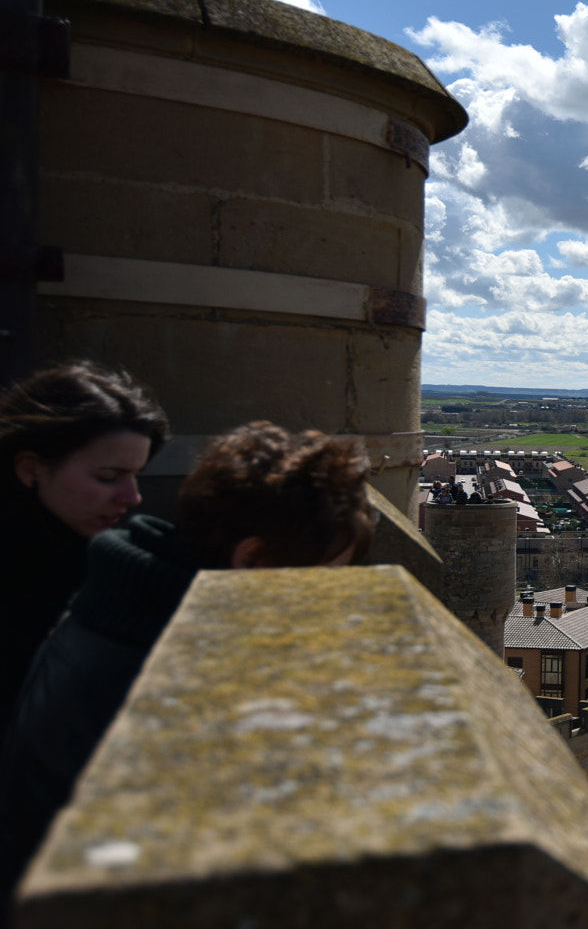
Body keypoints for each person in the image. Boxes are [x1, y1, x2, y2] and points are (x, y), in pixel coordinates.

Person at [0, 422, 374, 895]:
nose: (331, 602)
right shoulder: (168, 676)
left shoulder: (120, 604)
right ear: (254, 560)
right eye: (326, 579)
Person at [0, 362, 168, 731]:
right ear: (30, 469)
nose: (133, 497)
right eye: (109, 477)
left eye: (136, 475)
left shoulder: (94, 559)